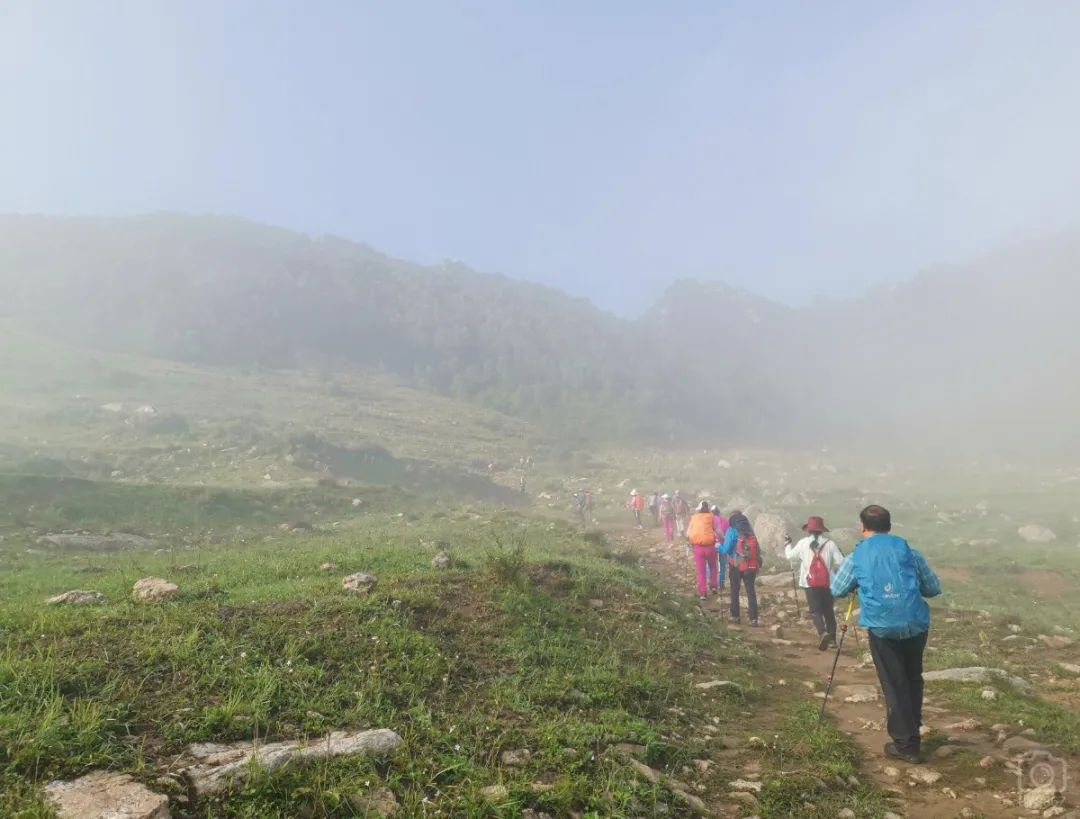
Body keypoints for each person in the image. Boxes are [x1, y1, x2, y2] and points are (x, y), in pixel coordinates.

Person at [831, 505, 942, 765]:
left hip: (882, 627)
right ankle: (913, 730)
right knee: (913, 677)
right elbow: (933, 588)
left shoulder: (856, 556)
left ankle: (906, 745)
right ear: (889, 526)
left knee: (894, 683)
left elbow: (837, 589)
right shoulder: (909, 552)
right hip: (915, 625)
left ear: (863, 527)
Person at [785, 515, 846, 650]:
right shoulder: (830, 544)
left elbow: (790, 556)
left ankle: (822, 633)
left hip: (810, 583)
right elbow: (841, 562)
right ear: (822, 530)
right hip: (828, 583)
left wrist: (787, 545)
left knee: (815, 611)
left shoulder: (803, 543)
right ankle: (832, 641)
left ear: (808, 530)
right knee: (829, 612)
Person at [720, 512, 761, 625]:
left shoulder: (731, 530)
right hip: (750, 564)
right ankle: (753, 619)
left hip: (736, 563)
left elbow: (726, 549)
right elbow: (756, 549)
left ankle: (735, 616)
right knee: (750, 591)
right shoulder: (750, 530)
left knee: (735, 590)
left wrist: (719, 547)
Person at [687, 501, 720, 600]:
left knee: (701, 571)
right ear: (708, 508)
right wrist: (723, 538)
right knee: (713, 566)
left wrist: (689, 542)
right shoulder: (711, 517)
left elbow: (688, 533)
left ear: (699, 509)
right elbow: (717, 530)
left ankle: (703, 593)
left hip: (698, 548)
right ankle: (714, 586)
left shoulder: (694, 518)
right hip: (710, 547)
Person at [711, 505, 729, 590]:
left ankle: (712, 582)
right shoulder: (725, 520)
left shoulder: (709, 520)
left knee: (711, 564)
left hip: (711, 545)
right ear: (719, 512)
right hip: (722, 544)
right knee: (722, 564)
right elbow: (727, 533)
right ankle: (721, 583)